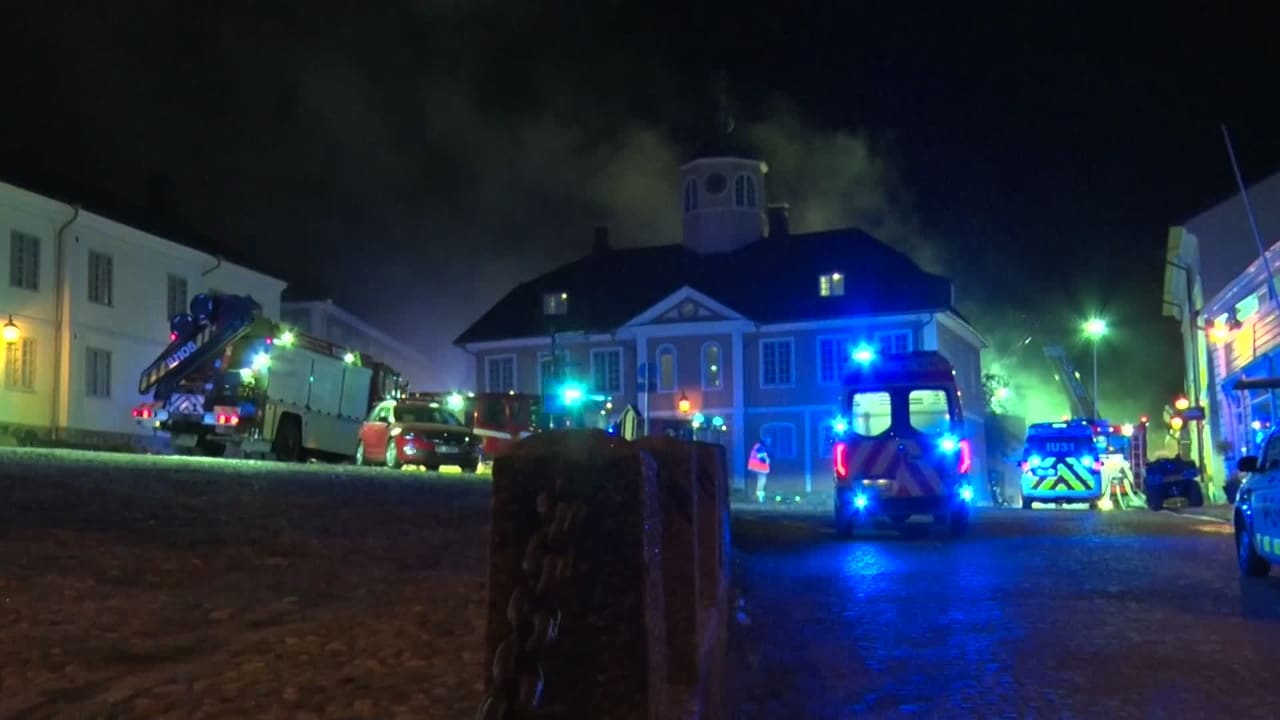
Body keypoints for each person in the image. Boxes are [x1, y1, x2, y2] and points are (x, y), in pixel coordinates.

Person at [748, 435, 771, 503]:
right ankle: (759, 497)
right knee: (761, 481)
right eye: (768, 441)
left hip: (756, 467)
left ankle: (757, 496)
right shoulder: (760, 447)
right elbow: (762, 458)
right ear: (764, 441)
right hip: (759, 467)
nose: (769, 442)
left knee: (760, 481)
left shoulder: (758, 446)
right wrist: (767, 460)